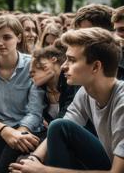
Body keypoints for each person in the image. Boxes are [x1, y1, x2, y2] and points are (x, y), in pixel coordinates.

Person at [10, 27, 124, 173]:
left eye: (71, 60)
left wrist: (44, 170)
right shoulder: (85, 91)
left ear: (96, 66)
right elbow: (64, 125)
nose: (63, 66)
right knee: (59, 126)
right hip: (107, 160)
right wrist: (34, 159)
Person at [0, 15, 46, 172]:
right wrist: (6, 131)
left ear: (19, 38)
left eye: (6, 37)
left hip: (27, 131)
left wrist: (18, 134)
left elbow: (35, 112)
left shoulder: (32, 64)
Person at [29, 40, 78, 126]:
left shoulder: (71, 82)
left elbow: (70, 114)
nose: (34, 73)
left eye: (43, 67)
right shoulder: (40, 89)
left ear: (54, 60)